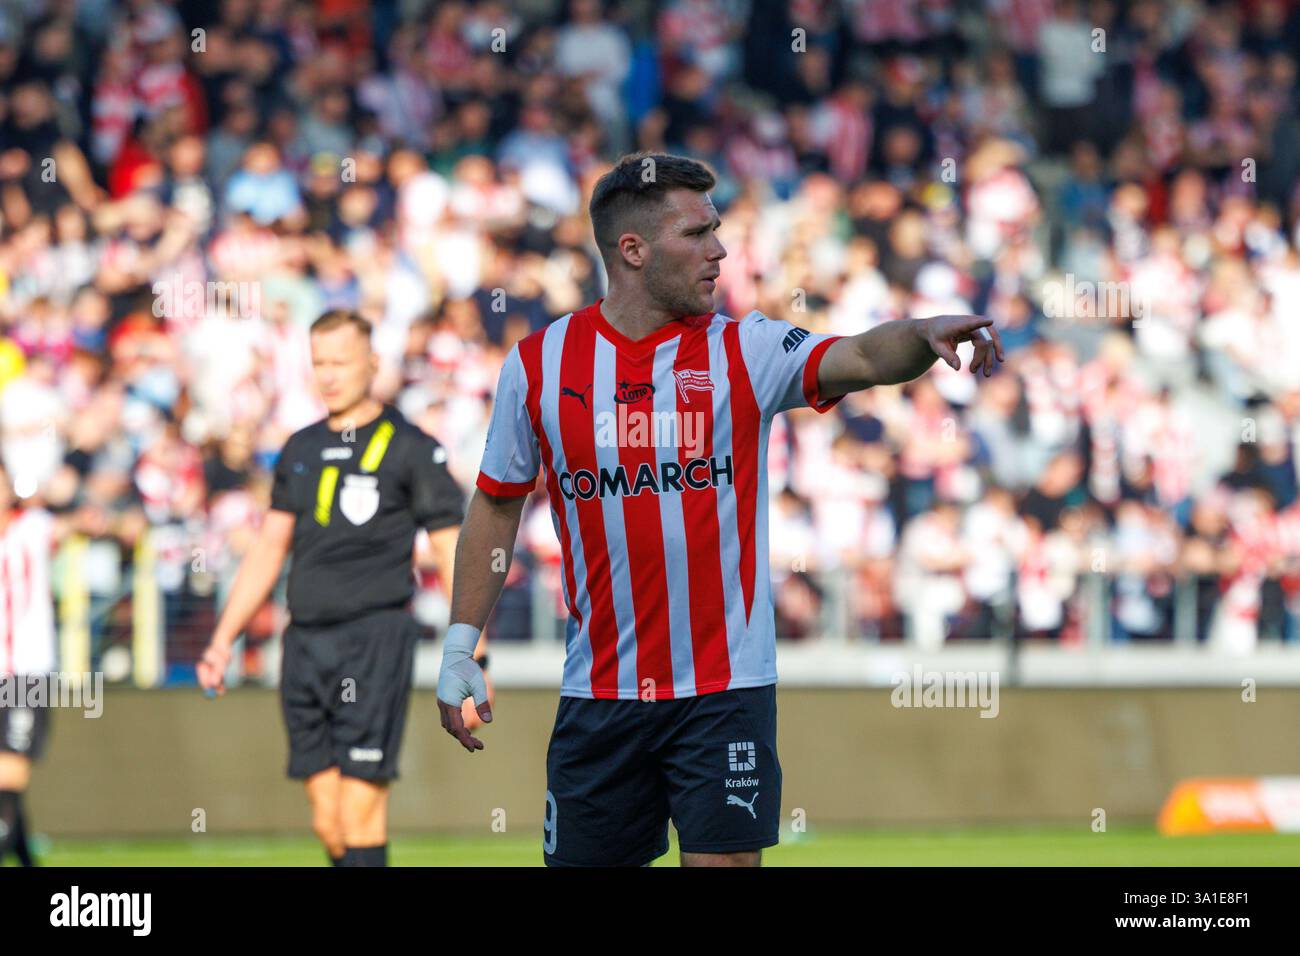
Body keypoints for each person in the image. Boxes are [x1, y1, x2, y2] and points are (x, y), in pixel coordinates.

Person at [436, 151, 1003, 867]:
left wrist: (919, 335)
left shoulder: (745, 348)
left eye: (718, 228)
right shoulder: (540, 364)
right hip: (601, 688)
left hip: (724, 688)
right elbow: (495, 506)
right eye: (697, 233)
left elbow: (858, 356)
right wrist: (461, 643)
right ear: (633, 250)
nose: (720, 249)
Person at [197, 310, 465, 867]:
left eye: (341, 361)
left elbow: (448, 547)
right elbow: (269, 550)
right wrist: (223, 637)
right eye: (319, 363)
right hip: (304, 644)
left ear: (373, 363)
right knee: (329, 821)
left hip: (373, 640)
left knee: (359, 812)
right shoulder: (299, 449)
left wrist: (468, 643)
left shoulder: (412, 447)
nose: (329, 374)